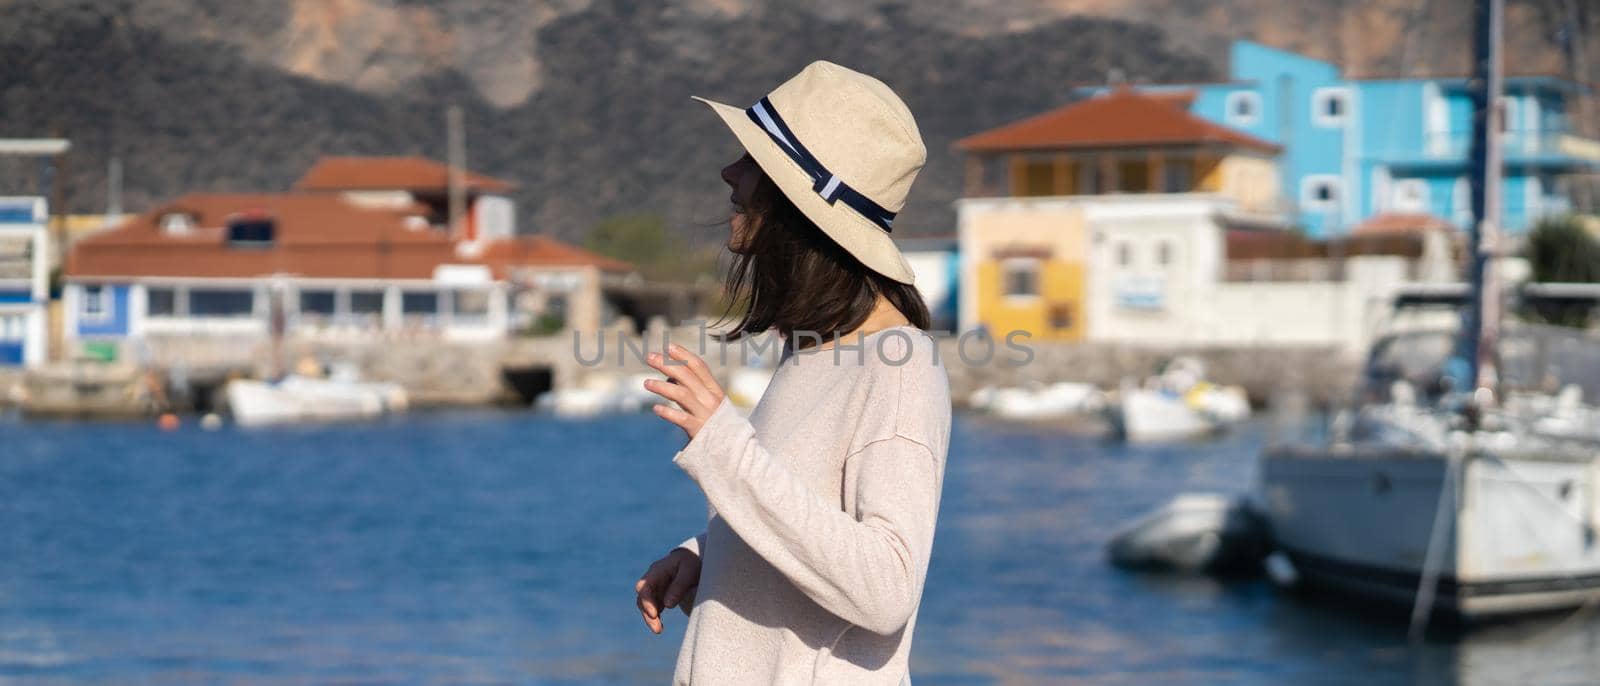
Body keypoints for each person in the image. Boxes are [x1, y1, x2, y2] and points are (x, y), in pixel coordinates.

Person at [633, 61, 952, 685]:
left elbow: (885, 590)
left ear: (798, 202)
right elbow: (810, 514)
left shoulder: (899, 366)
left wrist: (723, 447)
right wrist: (712, 554)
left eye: (751, 158)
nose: (729, 172)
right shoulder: (815, 352)